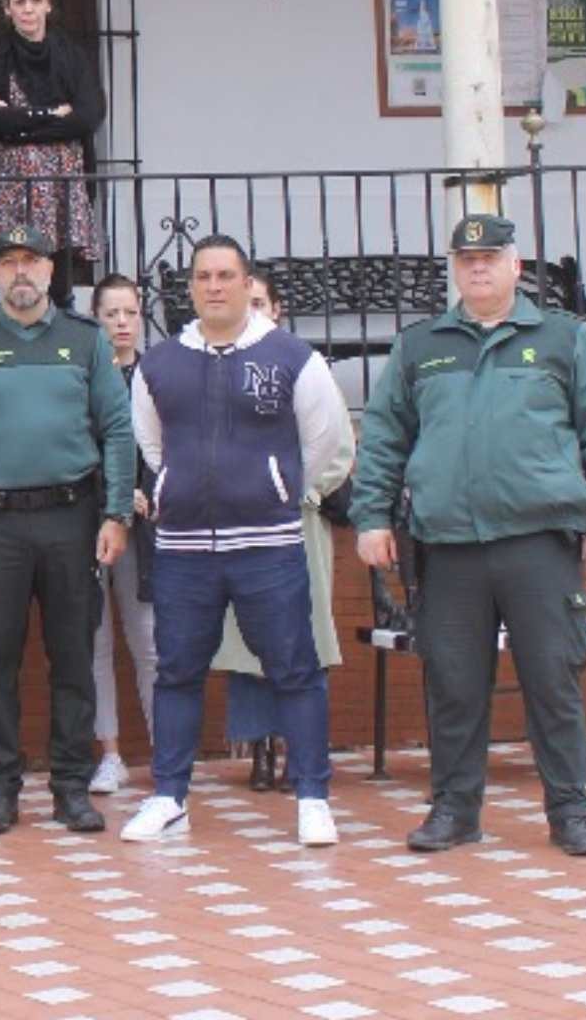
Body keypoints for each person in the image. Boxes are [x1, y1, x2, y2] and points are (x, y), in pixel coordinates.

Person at [351, 213, 586, 857]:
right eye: (466, 259)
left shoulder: (563, 339)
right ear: (455, 268)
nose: (478, 267)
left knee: (552, 681)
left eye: (491, 257)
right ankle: (455, 809)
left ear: (516, 265)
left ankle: (571, 810)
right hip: (449, 546)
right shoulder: (422, 345)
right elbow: (385, 437)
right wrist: (371, 517)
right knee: (453, 684)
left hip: (538, 540)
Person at [125, 235, 350, 848]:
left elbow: (323, 441)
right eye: (203, 277)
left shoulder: (292, 358)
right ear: (191, 288)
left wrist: (275, 487)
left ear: (248, 284)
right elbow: (151, 448)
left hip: (269, 543)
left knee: (294, 668)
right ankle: (169, 797)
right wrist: (179, 486)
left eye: (226, 275)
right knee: (177, 673)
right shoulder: (160, 364)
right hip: (184, 549)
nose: (214, 286)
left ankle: (312, 797)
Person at [0, 226, 135, 836]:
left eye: (32, 260)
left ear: (50, 270)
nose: (20, 272)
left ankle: (71, 784)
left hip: (72, 516)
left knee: (73, 654)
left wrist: (117, 512)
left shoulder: (84, 342)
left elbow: (117, 430)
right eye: (8, 261)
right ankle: (1, 784)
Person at [214, 271, 355, 794]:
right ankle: (259, 751)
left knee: (302, 640)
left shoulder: (306, 369)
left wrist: (304, 492)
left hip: (297, 522)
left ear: (277, 309)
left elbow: (338, 446)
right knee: (248, 644)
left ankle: (303, 750)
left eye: (259, 303)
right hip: (240, 524)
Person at [0, 0, 105, 265]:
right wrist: (50, 114)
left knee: (59, 272)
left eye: (35, 0)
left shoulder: (72, 57)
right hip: (10, 184)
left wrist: (17, 124)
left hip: (62, 179)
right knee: (13, 264)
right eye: (20, 1)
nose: (28, 8)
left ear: (48, 5)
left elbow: (88, 116)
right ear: (7, 9)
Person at [88, 273, 158, 795]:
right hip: (91, 524)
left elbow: (171, 446)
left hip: (148, 531)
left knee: (150, 642)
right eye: (111, 314)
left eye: (129, 312)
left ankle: (166, 750)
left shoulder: (156, 376)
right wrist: (112, 493)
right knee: (95, 642)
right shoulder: (84, 375)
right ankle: (109, 753)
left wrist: (149, 492)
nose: (121, 323)